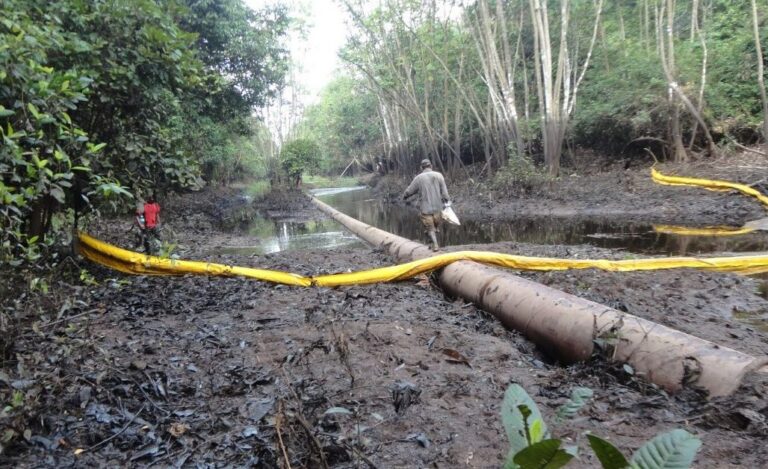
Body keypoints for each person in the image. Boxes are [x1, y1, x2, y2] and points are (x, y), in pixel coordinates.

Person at [402, 159, 451, 251]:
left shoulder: (419, 178)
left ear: (421, 168)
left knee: (430, 227)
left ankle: (435, 245)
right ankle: (431, 242)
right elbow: (445, 192)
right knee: (433, 227)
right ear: (431, 166)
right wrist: (447, 201)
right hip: (438, 208)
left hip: (425, 208)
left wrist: (404, 196)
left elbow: (410, 190)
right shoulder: (439, 175)